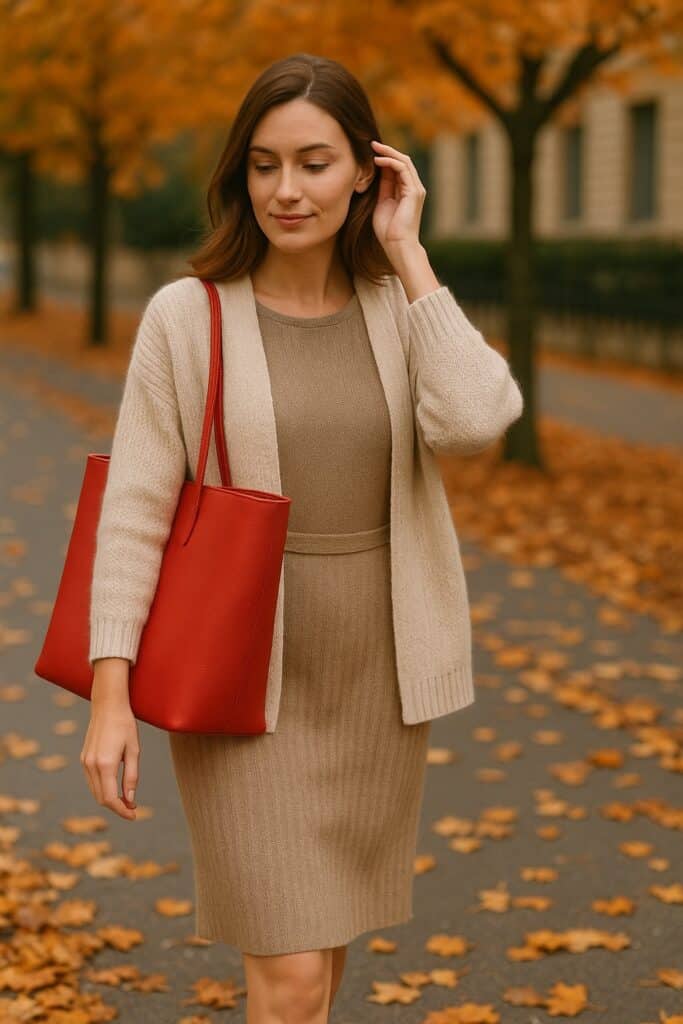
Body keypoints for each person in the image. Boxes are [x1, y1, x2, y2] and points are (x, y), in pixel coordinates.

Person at [81, 52, 523, 1023]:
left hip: (376, 678)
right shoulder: (186, 317)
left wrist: (408, 254)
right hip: (243, 674)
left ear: (366, 171)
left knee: (318, 967)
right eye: (264, 164)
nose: (286, 189)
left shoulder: (394, 307)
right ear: (239, 174)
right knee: (285, 975)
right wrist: (111, 694)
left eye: (314, 163)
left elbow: (475, 421)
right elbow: (135, 510)